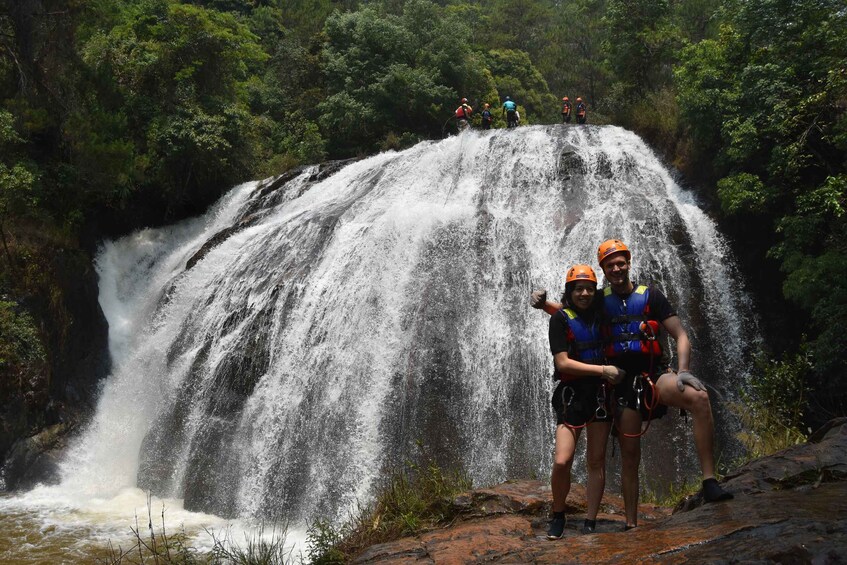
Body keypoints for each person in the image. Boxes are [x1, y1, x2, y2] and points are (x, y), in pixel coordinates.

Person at [532, 239, 733, 530]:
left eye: (620, 262)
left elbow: (681, 334)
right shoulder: (599, 298)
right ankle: (631, 524)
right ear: (603, 269)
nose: (616, 268)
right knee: (629, 454)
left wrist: (685, 370)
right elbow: (574, 311)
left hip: (655, 376)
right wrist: (544, 305)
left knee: (699, 396)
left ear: (628, 263)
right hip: (622, 384)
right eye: (610, 264)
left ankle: (710, 480)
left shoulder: (651, 295)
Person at [540, 264, 625, 539]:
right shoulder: (560, 319)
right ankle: (558, 513)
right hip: (572, 395)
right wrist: (603, 370)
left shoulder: (602, 314)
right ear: (570, 292)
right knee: (563, 460)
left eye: (589, 288)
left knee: (596, 460)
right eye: (579, 289)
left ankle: (590, 520)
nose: (585, 293)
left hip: (600, 395)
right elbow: (562, 361)